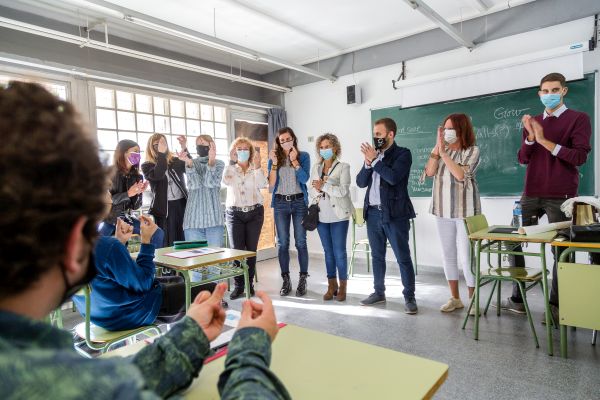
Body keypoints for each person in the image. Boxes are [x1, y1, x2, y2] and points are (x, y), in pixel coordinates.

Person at [0, 81, 290, 399]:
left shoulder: (49, 373)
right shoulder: (68, 385)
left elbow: (114, 382)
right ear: (72, 245)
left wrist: (186, 339)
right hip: (143, 301)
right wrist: (250, 349)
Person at [503, 72, 592, 323]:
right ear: (539, 94)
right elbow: (523, 158)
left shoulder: (578, 119)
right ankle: (518, 299)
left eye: (555, 90)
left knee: (562, 250)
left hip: (561, 194)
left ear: (564, 91)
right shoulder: (534, 121)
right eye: (545, 91)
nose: (549, 95)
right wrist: (531, 137)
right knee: (513, 239)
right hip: (531, 191)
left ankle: (555, 306)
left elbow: (579, 157)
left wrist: (544, 140)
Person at [73, 216, 217, 330]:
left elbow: (106, 276)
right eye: (106, 189)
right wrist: (146, 241)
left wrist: (119, 243)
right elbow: (144, 283)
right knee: (213, 290)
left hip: (99, 316)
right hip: (133, 313)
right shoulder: (106, 246)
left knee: (178, 280)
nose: (110, 191)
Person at [356, 117, 418, 314]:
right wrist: (368, 163)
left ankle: (409, 297)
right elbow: (360, 183)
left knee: (403, 257)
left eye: (379, 134)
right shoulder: (374, 156)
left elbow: (392, 178)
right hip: (373, 213)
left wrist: (374, 160)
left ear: (390, 134)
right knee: (377, 256)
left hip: (395, 215)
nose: (376, 138)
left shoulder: (403, 154)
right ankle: (378, 292)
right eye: (374, 135)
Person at [424, 114, 481, 314]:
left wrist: (444, 154)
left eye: (450, 129)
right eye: (444, 129)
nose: (446, 133)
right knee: (448, 254)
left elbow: (459, 175)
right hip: (442, 209)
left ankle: (473, 299)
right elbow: (430, 172)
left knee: (467, 257)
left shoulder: (472, 151)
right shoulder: (440, 150)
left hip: (465, 211)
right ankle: (455, 298)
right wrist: (436, 149)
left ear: (461, 130)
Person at [308, 133, 354, 301]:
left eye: (327, 146)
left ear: (335, 148)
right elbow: (311, 189)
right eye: (321, 147)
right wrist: (318, 189)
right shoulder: (316, 168)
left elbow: (343, 191)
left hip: (339, 216)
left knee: (339, 252)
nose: (324, 150)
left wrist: (324, 186)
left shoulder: (344, 167)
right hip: (321, 216)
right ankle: (331, 285)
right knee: (328, 252)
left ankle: (343, 287)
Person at [267, 127, 311, 297]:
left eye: (288, 139)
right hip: (280, 203)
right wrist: (274, 164)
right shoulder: (274, 158)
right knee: (283, 243)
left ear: (293, 138)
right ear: (278, 142)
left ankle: (303, 279)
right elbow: (271, 185)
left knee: (300, 242)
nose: (285, 142)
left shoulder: (303, 156)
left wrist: (295, 161)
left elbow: (305, 179)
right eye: (282, 140)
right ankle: (286, 279)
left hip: (299, 202)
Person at [223, 137, 267, 300]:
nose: (242, 152)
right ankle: (239, 286)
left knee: (250, 251)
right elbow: (225, 181)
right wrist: (231, 162)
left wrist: (257, 165)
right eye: (238, 149)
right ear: (234, 152)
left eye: (245, 149)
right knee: (237, 251)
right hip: (234, 214)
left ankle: (249, 285)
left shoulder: (255, 169)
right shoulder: (230, 169)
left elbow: (262, 184)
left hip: (255, 213)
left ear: (250, 152)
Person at [99, 139, 164, 248]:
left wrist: (139, 193)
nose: (138, 155)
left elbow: (136, 206)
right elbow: (106, 200)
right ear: (124, 152)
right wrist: (128, 193)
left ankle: (150, 261)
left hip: (127, 218)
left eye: (139, 152)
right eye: (135, 151)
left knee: (158, 233)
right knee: (97, 247)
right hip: (110, 219)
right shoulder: (109, 172)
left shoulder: (137, 176)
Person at [177, 134, 226, 247]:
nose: (200, 146)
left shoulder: (219, 163)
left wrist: (212, 160)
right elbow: (194, 185)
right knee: (195, 262)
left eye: (203, 143)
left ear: (211, 145)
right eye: (198, 144)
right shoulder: (191, 162)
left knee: (214, 263)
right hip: (193, 221)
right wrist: (189, 163)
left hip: (214, 220)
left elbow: (210, 182)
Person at [141, 133, 187, 246]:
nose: (160, 146)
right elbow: (158, 175)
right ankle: (167, 263)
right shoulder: (147, 165)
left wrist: (184, 147)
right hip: (163, 208)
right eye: (156, 144)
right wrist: (161, 155)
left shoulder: (175, 161)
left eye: (163, 143)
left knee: (183, 237)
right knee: (166, 241)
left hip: (181, 204)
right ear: (151, 147)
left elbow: (190, 168)